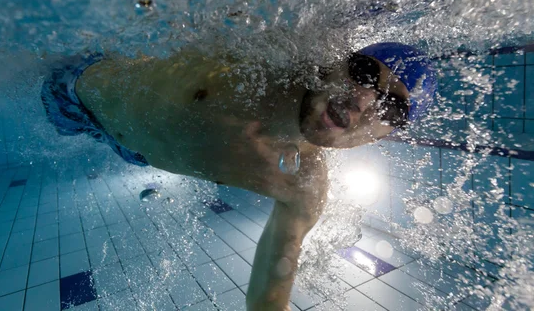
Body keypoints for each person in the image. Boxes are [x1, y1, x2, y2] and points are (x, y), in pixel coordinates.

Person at [41, 41, 437, 311]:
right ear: (336, 65)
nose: (363, 99)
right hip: (75, 87)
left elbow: (272, 285)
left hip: (127, 149)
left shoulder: (303, 187)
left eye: (392, 110)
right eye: (365, 72)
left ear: (385, 136)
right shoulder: (265, 62)